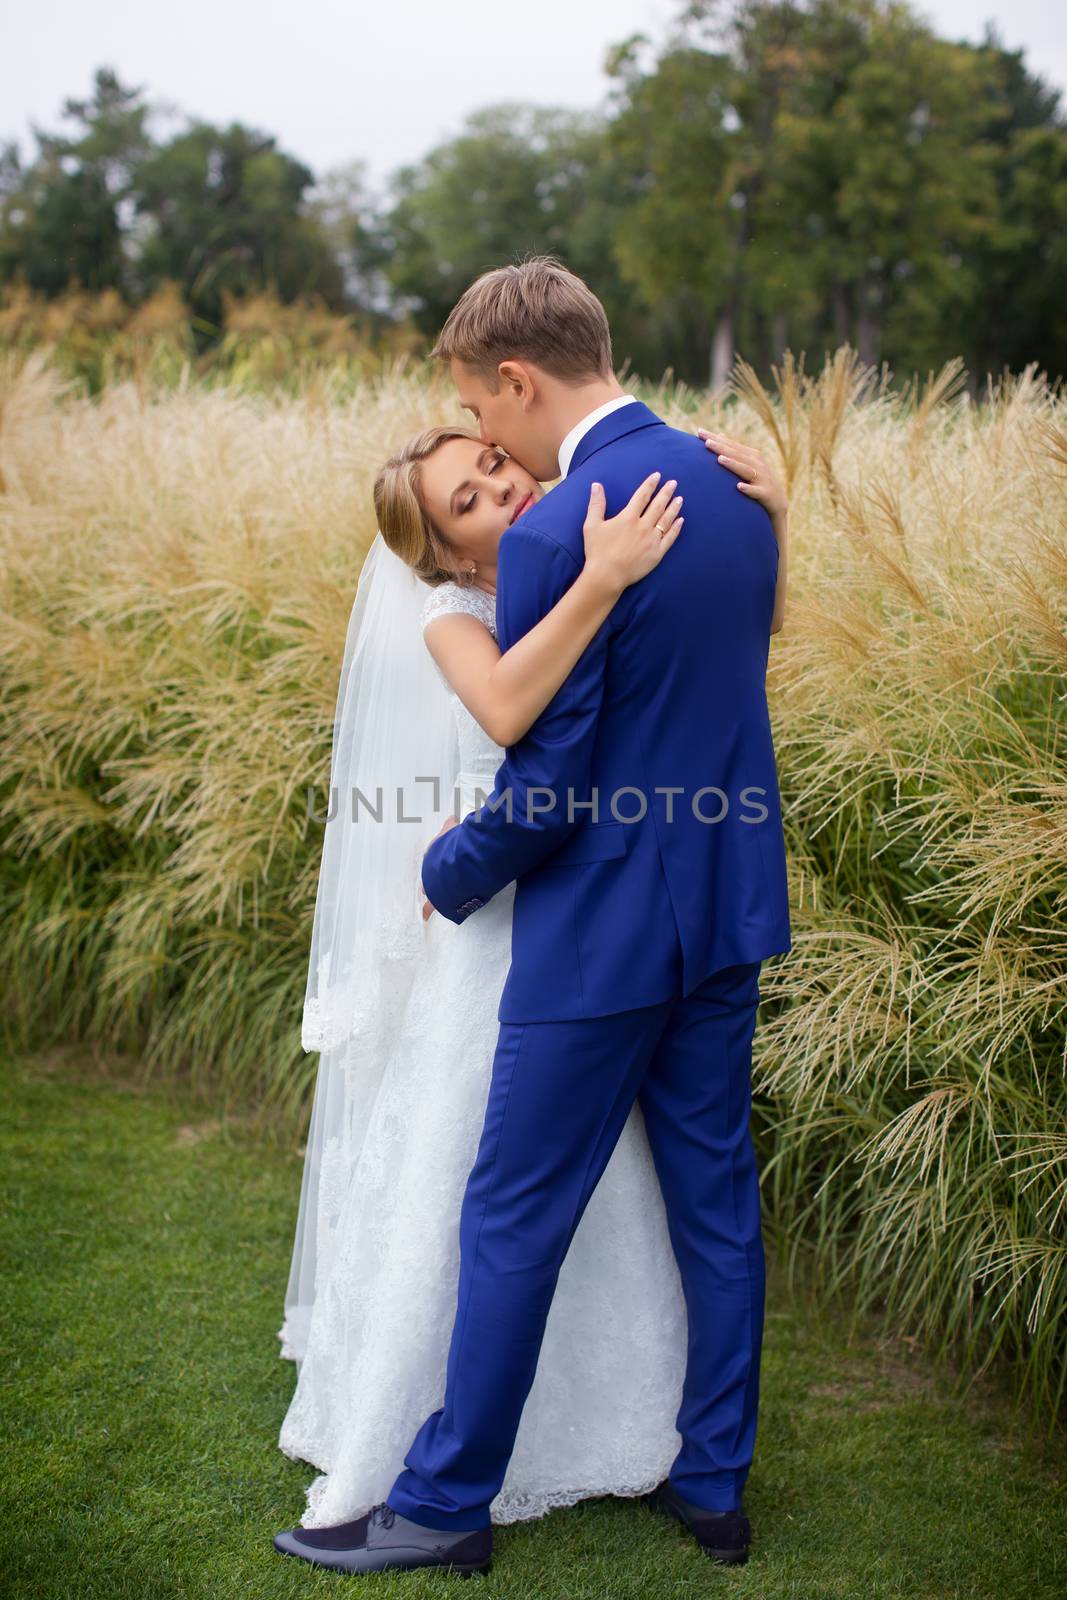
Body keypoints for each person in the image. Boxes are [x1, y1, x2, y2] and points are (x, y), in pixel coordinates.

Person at [274, 256, 791, 1578]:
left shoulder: (565, 535)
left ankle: (447, 1505)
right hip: (723, 910)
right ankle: (714, 1488)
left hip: (599, 934)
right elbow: (732, 664)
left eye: (483, 418)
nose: (495, 453)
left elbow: (545, 782)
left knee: (512, 1211)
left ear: (515, 379)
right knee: (719, 1206)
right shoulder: (741, 492)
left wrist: (447, 880)